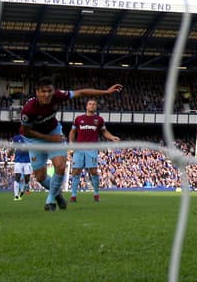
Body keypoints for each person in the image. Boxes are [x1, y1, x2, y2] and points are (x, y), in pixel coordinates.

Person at [19, 77, 122, 212]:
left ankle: (50, 200)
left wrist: (106, 92)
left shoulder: (57, 96)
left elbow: (81, 92)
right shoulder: (29, 110)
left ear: (53, 91)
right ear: (37, 92)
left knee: (60, 166)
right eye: (43, 91)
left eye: (49, 91)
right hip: (34, 139)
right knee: (40, 177)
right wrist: (50, 139)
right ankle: (57, 194)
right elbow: (27, 131)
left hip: (54, 132)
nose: (47, 94)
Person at [69, 98, 120, 203]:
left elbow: (104, 132)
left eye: (94, 104)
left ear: (96, 107)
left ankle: (96, 193)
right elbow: (72, 132)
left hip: (91, 149)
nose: (92, 105)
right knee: (76, 171)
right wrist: (71, 143)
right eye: (90, 104)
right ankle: (73, 196)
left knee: (93, 171)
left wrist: (112, 137)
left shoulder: (99, 120)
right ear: (86, 106)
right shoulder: (78, 119)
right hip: (79, 149)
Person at [10, 132, 34, 199]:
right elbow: (12, 148)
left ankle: (26, 186)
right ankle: (16, 195)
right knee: (17, 176)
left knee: (27, 177)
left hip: (27, 161)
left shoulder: (30, 138)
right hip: (18, 160)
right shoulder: (16, 138)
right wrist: (7, 158)